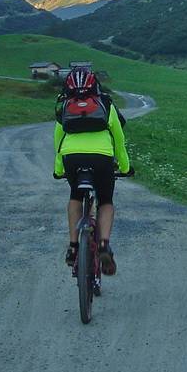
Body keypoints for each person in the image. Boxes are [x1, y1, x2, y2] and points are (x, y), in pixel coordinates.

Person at [53, 67, 131, 275]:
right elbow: (119, 140)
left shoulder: (65, 106)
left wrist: (58, 169)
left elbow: (58, 141)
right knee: (105, 201)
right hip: (102, 158)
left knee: (75, 196)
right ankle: (104, 244)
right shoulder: (105, 104)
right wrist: (125, 166)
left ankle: (73, 246)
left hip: (72, 158)